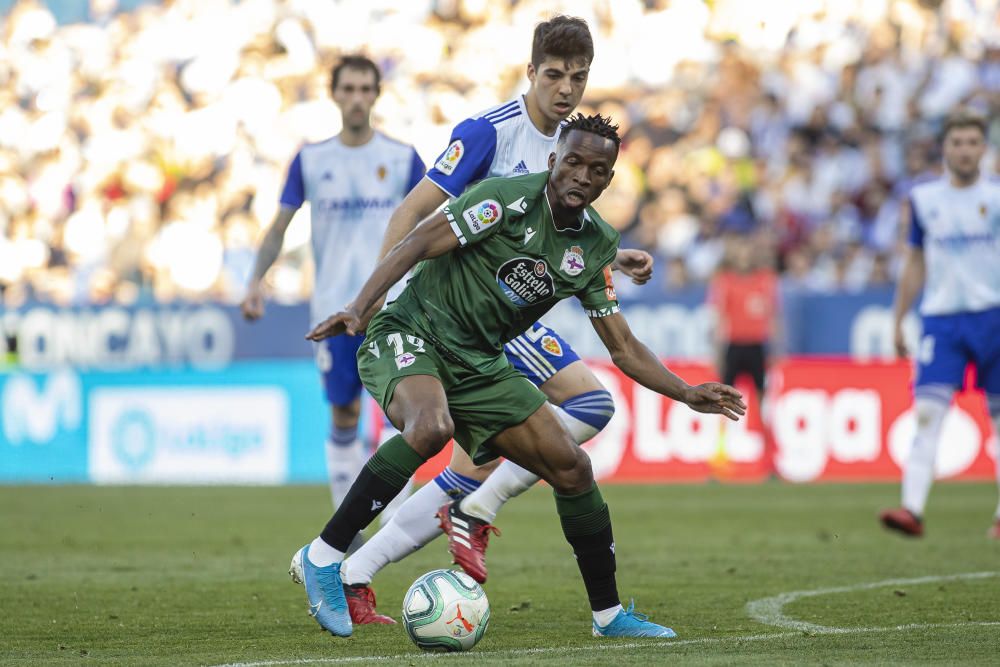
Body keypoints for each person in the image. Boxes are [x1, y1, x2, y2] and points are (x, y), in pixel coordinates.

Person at [293, 112, 746, 639]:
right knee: (430, 426)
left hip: (481, 362)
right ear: (554, 160)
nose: (582, 175)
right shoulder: (504, 201)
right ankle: (324, 557)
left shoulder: (596, 244)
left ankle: (608, 617)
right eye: (573, 161)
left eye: (596, 169)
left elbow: (622, 346)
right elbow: (417, 242)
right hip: (412, 331)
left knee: (572, 467)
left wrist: (686, 391)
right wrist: (360, 306)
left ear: (609, 179)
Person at [333, 15, 653, 620]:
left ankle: (362, 563)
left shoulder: (574, 146)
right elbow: (413, 213)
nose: (566, 89)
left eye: (578, 77)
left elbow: (561, 229)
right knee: (581, 412)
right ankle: (454, 518)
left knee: (495, 449)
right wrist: (383, 306)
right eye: (554, 75)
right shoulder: (489, 134)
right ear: (529, 72)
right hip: (452, 313)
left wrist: (614, 252)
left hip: (510, 312)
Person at [241, 56, 424, 548]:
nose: (358, 97)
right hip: (333, 308)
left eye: (367, 88)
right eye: (349, 88)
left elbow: (435, 221)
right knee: (343, 411)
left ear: (377, 94)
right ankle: (351, 522)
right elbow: (279, 225)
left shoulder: (403, 157)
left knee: (405, 413)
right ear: (335, 94)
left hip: (394, 306)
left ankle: (398, 519)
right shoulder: (311, 159)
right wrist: (256, 280)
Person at [879, 108, 1000, 539]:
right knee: (928, 413)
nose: (965, 151)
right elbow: (914, 262)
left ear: (983, 148)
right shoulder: (925, 200)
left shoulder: (998, 197)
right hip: (942, 321)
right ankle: (911, 508)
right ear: (944, 149)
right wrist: (898, 319)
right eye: (957, 143)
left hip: (995, 318)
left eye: (972, 142)